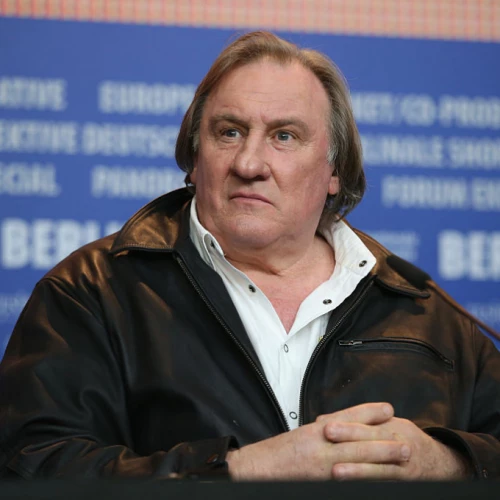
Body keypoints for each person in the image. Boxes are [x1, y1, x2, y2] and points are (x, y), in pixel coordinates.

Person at [0, 31, 499, 481]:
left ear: (334, 171)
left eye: (284, 136)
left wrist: (448, 463)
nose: (249, 163)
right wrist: (244, 470)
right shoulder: (92, 291)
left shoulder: (424, 309)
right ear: (195, 158)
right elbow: (32, 465)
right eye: (229, 132)